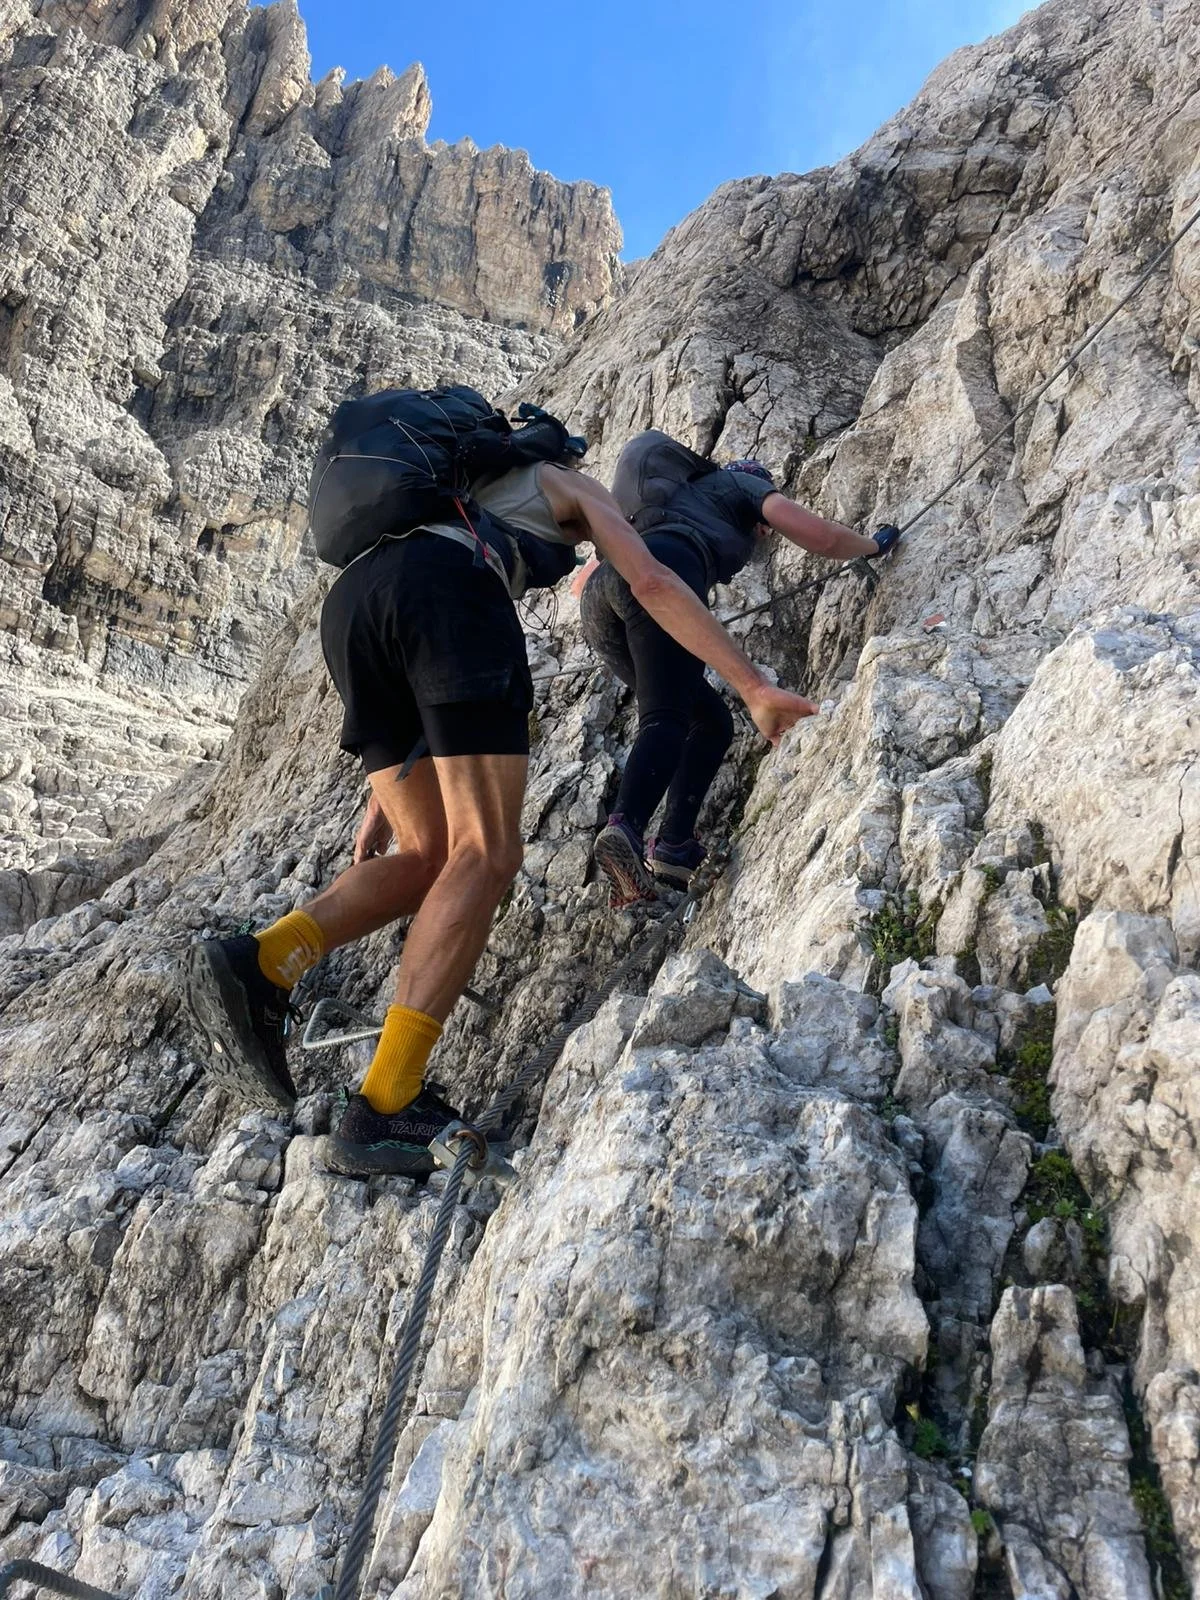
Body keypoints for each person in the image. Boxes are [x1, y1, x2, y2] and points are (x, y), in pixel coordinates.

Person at [183, 449, 816, 1177]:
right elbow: (650, 580)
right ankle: (387, 1101)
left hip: (351, 612)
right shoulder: (563, 483)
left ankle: (262, 960)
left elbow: (407, 617)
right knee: (487, 853)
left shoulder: (432, 500)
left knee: (427, 853)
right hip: (447, 599)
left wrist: (381, 797)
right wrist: (749, 683)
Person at [580, 429, 899, 903]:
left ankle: (673, 848)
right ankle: (625, 827)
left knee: (708, 722)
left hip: (600, 601)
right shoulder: (741, 486)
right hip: (663, 569)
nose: (765, 533)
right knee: (666, 715)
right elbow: (821, 535)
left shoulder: (672, 496)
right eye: (763, 525)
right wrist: (873, 546)